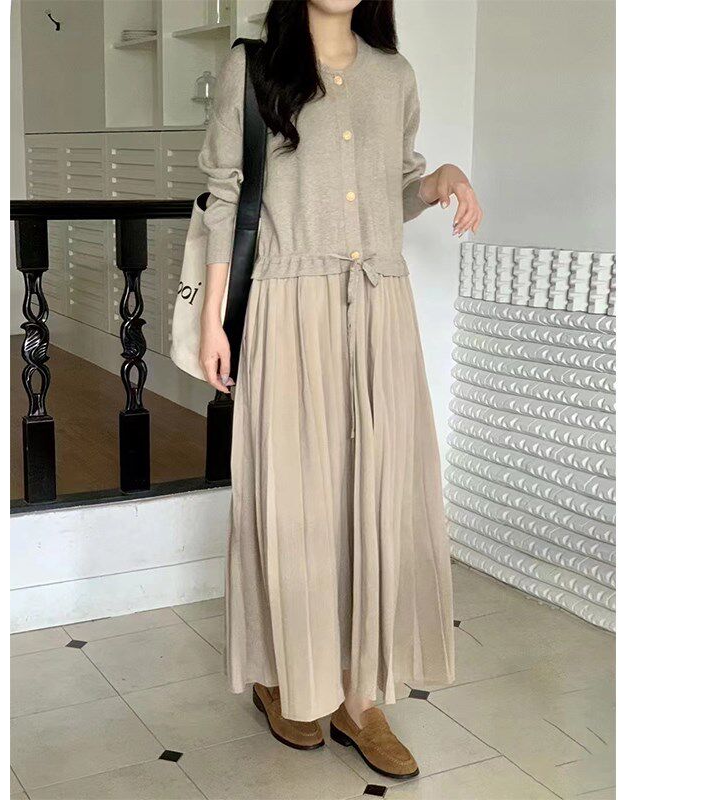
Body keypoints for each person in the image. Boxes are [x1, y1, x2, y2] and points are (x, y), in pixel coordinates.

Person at [198, 0, 482, 779]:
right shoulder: (253, 68)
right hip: (288, 305)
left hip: (380, 307)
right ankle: (286, 676)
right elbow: (224, 196)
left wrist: (437, 181)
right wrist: (217, 322)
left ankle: (360, 700)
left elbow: (395, 187)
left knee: (374, 495)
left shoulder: (395, 75)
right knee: (295, 499)